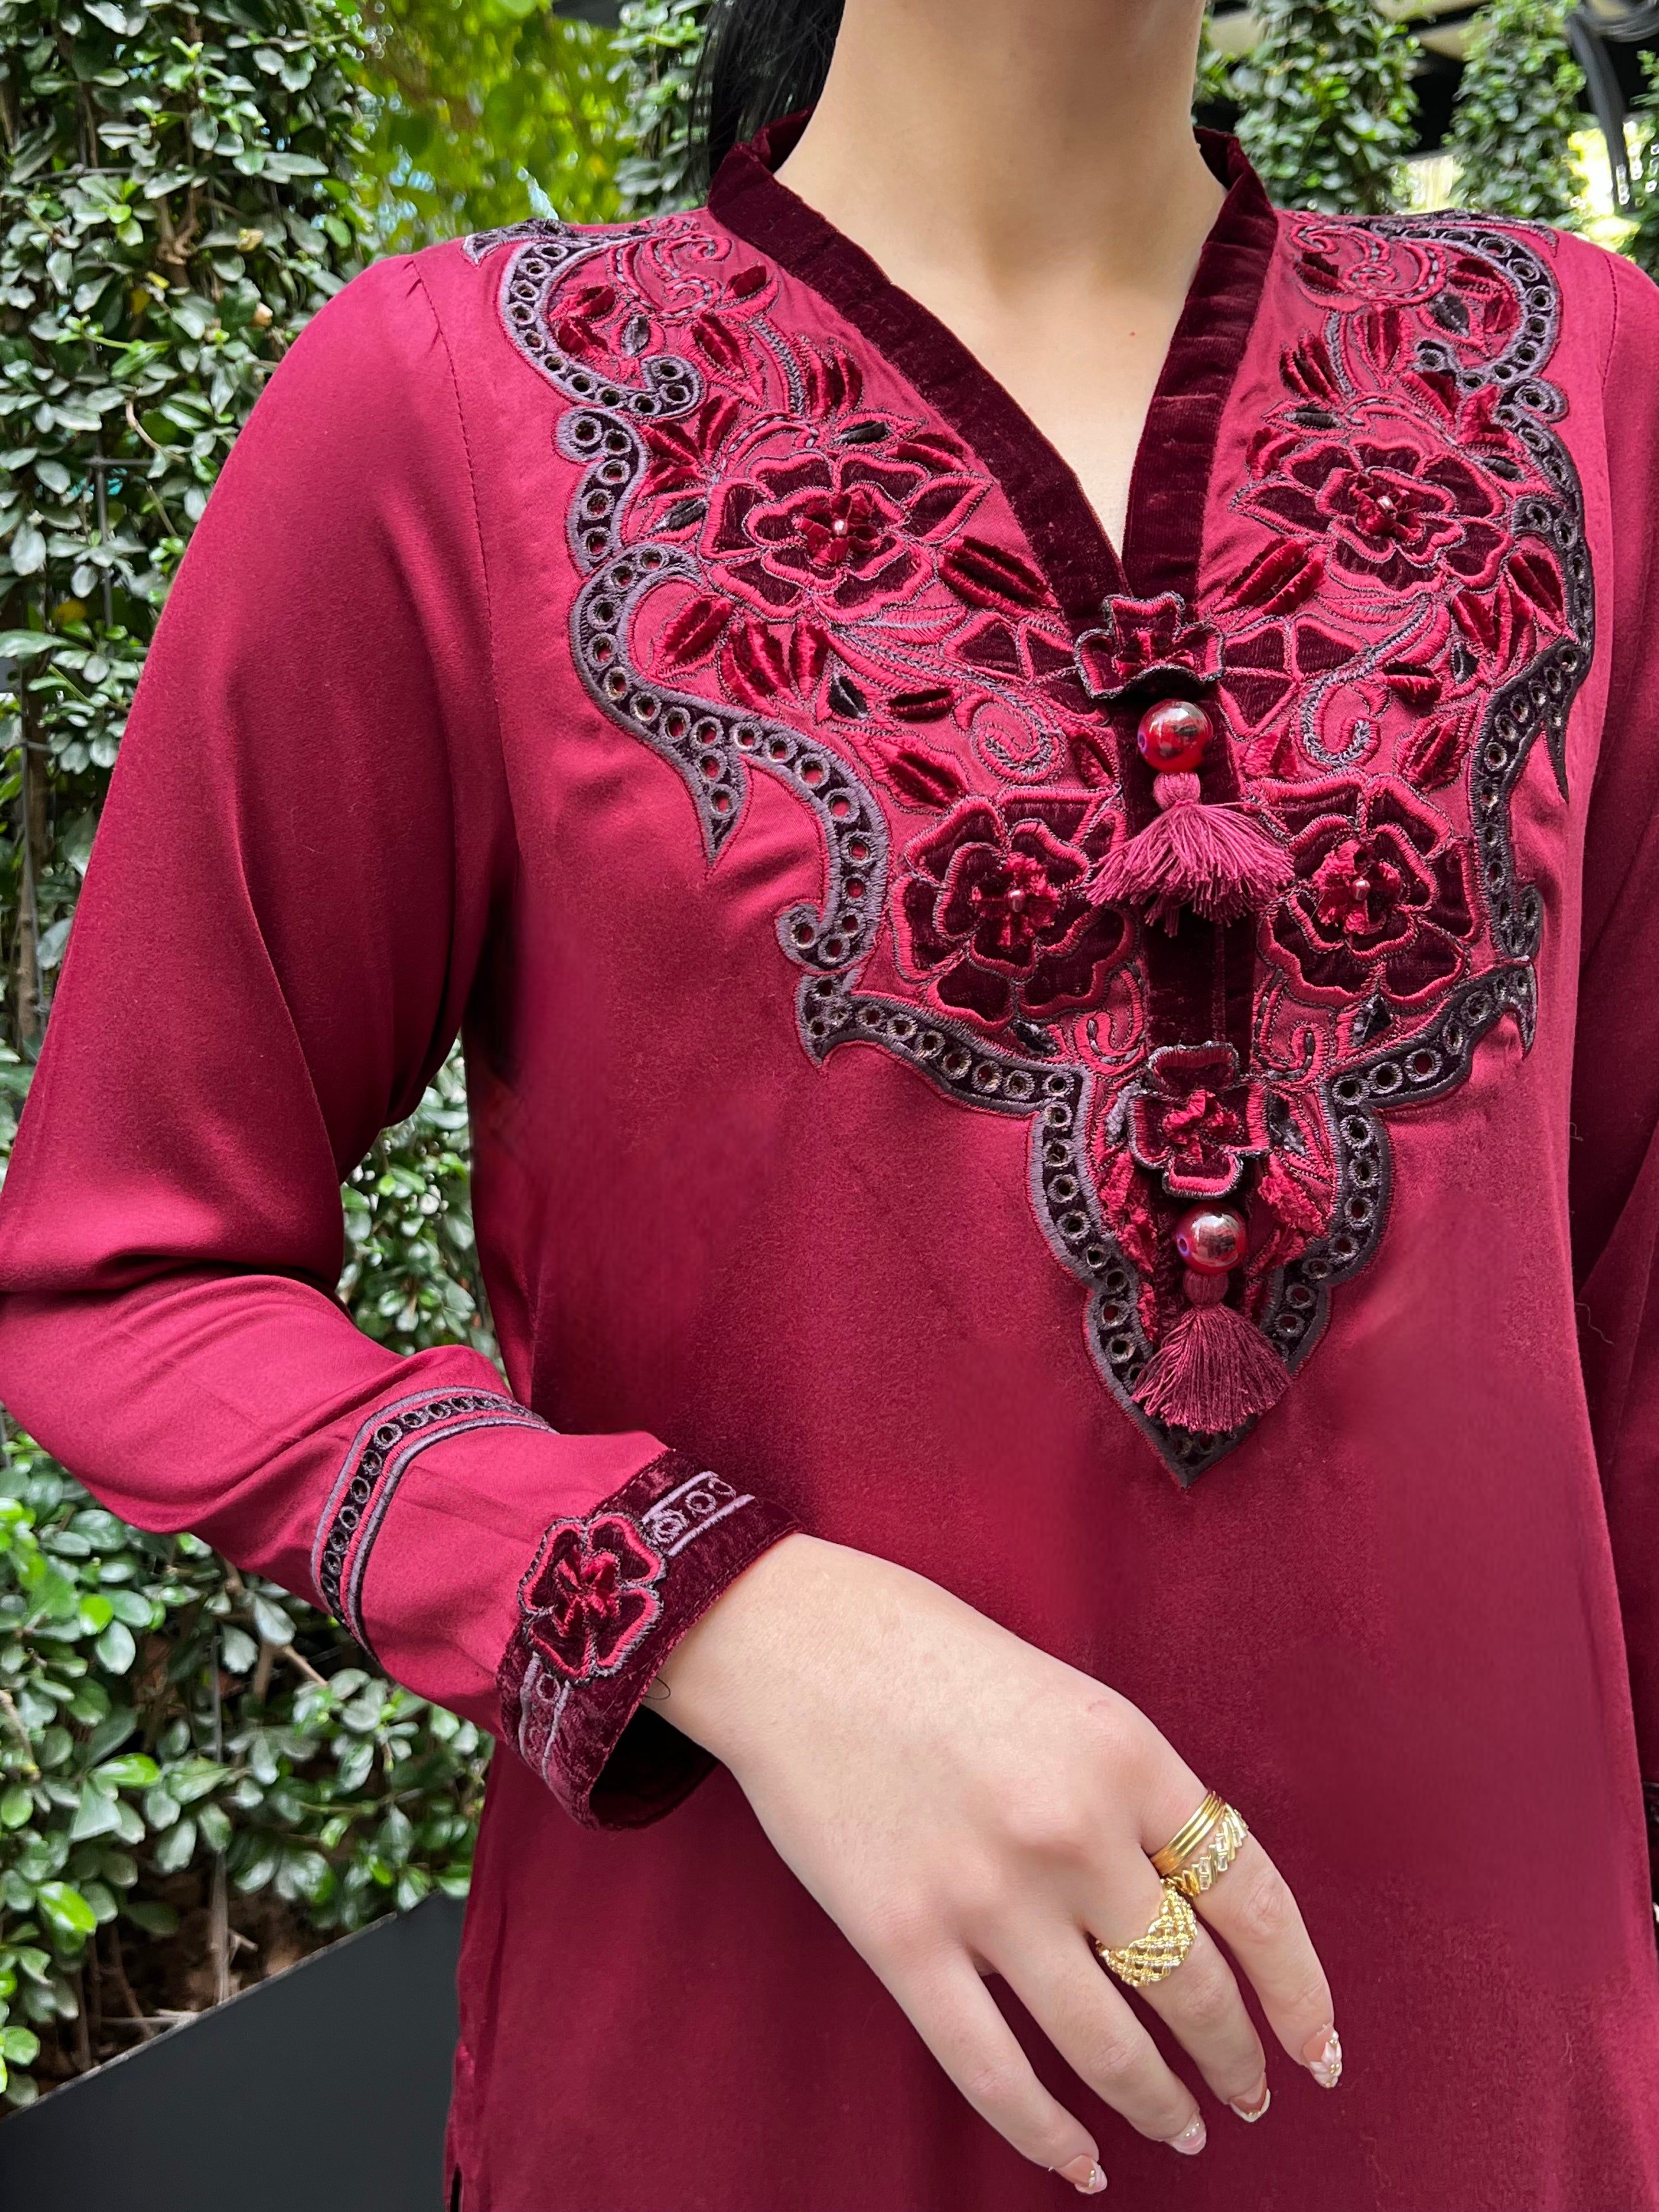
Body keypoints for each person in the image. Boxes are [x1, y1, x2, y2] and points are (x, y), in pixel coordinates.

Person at [2, 0, 1657, 2202]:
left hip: (1487, 2102)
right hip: (758, 2099)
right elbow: (126, 1272)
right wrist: (718, 1618)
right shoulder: (456, 416)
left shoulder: (1580, 379)